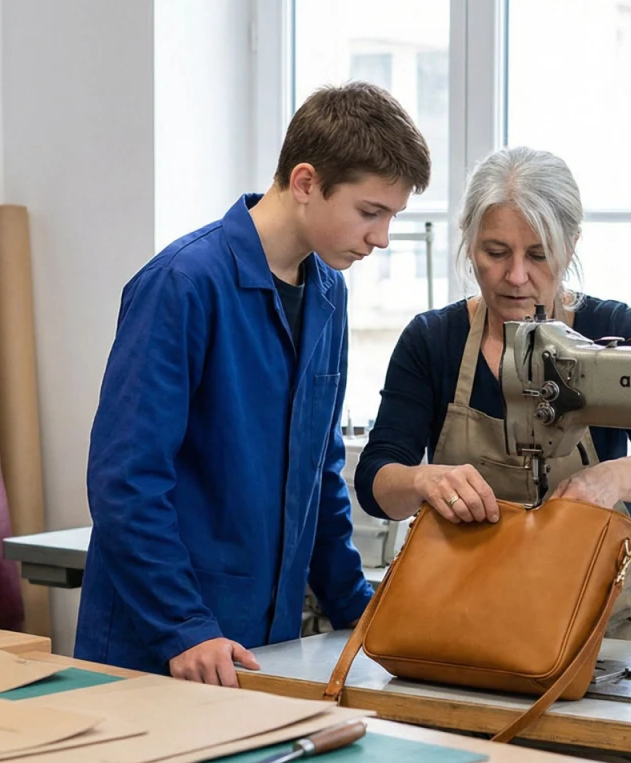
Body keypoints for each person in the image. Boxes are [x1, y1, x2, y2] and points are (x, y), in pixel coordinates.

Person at [75, 82, 434, 684]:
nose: (381, 237)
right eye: (370, 212)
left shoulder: (327, 293)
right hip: (160, 646)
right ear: (305, 182)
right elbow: (125, 481)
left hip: (262, 646)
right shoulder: (182, 284)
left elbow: (317, 476)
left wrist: (358, 610)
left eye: (391, 217)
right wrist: (183, 626)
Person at [353, 146, 631, 642]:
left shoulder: (610, 329)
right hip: (466, 615)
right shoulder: (433, 341)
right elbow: (376, 480)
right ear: (469, 242)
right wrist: (423, 480)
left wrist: (609, 480)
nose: (516, 277)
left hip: (595, 619)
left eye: (538, 255)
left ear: (571, 245)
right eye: (496, 253)